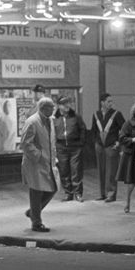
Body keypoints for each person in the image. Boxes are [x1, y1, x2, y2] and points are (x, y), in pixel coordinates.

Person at [21, 97, 57, 232]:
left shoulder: (50, 121)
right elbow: (25, 143)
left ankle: (33, 212)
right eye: (51, 107)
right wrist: (38, 155)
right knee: (36, 191)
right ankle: (36, 222)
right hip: (35, 163)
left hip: (48, 161)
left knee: (53, 187)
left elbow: (51, 141)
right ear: (43, 108)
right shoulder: (32, 122)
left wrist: (53, 157)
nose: (53, 109)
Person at [91, 93, 126, 202]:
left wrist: (119, 143)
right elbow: (94, 131)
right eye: (108, 101)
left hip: (112, 146)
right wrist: (96, 143)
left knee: (111, 172)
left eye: (111, 101)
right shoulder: (96, 114)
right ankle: (102, 194)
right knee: (101, 170)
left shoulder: (117, 114)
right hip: (100, 146)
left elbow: (125, 130)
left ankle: (111, 194)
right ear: (102, 103)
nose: (111, 103)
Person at [53, 96, 87, 202]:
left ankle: (78, 193)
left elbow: (83, 129)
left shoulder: (76, 116)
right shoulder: (54, 118)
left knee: (76, 170)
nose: (67, 105)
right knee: (64, 170)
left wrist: (81, 143)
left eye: (68, 103)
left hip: (75, 147)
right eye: (64, 104)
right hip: (61, 147)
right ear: (59, 106)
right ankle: (68, 193)